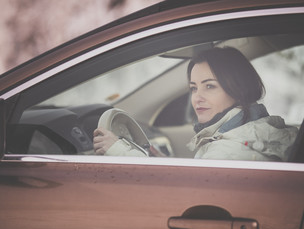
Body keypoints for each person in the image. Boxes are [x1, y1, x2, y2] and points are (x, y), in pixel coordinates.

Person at [93, 47, 298, 161]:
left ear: (238, 89)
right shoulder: (258, 132)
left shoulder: (226, 153)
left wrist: (120, 152)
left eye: (209, 86)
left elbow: (176, 198)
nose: (197, 97)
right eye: (193, 88)